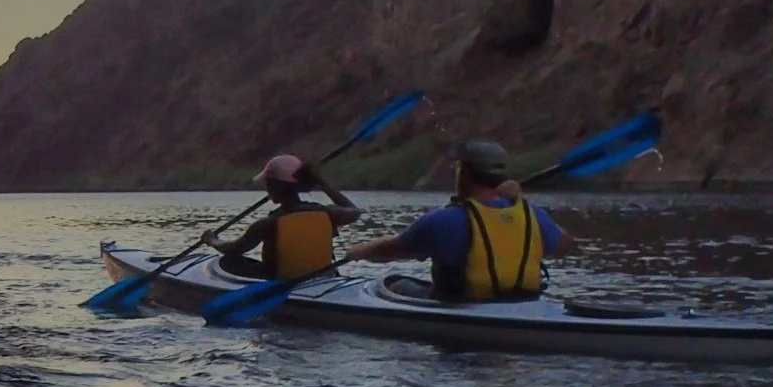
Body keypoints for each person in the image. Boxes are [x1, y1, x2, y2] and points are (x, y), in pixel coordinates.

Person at [350, 138, 573, 300]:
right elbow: (565, 244)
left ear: (464, 172)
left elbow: (390, 251)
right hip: (522, 304)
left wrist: (359, 251)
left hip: (461, 305)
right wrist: (520, 202)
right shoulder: (531, 213)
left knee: (395, 284)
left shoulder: (443, 220)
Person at [205, 154, 360, 280]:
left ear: (275, 185)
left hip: (283, 283)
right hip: (321, 279)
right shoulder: (329, 213)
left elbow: (234, 249)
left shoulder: (268, 223)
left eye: (268, 183)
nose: (267, 188)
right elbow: (354, 211)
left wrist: (212, 240)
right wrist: (322, 183)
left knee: (230, 262)